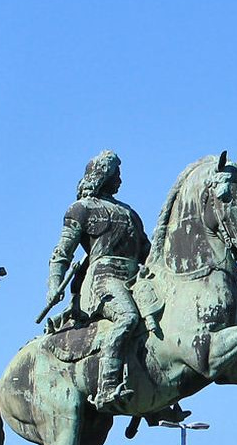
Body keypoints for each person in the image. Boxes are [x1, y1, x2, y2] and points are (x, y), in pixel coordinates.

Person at [37, 150, 151, 404]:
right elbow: (61, 253)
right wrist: (54, 285)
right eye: (116, 173)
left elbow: (146, 251)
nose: (120, 178)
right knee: (127, 318)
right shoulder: (81, 209)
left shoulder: (130, 213)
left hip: (135, 278)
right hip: (102, 280)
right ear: (103, 174)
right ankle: (107, 387)